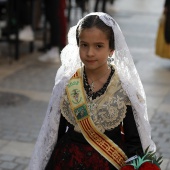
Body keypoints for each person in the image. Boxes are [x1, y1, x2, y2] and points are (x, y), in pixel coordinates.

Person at [29, 12, 156, 170]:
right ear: (78, 45)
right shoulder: (67, 84)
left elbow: (134, 142)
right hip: (67, 160)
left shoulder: (123, 88)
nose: (90, 53)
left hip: (109, 161)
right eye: (84, 45)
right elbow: (54, 133)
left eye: (98, 46)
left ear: (111, 49)